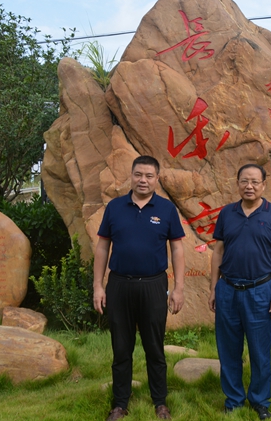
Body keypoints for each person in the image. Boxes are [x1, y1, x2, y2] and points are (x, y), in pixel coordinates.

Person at [93, 155, 185, 421]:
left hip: (154, 285)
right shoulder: (115, 207)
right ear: (131, 176)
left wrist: (178, 288)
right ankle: (120, 404)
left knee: (154, 347)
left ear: (157, 179)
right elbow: (102, 247)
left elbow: (177, 249)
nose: (143, 180)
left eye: (148, 176)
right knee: (121, 348)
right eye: (138, 175)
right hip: (119, 285)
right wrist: (98, 286)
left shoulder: (166, 209)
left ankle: (160, 402)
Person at [208, 163, 271, 420]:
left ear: (264, 185)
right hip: (228, 289)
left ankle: (259, 400)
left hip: (260, 290)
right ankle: (233, 399)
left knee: (259, 350)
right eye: (244, 181)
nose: (249, 186)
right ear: (237, 184)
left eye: (255, 181)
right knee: (228, 348)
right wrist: (213, 288)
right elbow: (218, 252)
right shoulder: (227, 213)